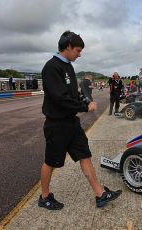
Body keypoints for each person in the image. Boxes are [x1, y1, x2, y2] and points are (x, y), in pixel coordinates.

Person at [39, 30, 121, 210]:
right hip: (56, 124)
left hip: (71, 123)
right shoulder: (51, 67)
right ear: (67, 47)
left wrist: (85, 100)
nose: (80, 54)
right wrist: (84, 107)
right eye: (77, 50)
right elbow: (60, 98)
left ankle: (100, 194)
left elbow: (72, 93)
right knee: (51, 162)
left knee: (85, 156)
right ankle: (44, 197)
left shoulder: (68, 65)